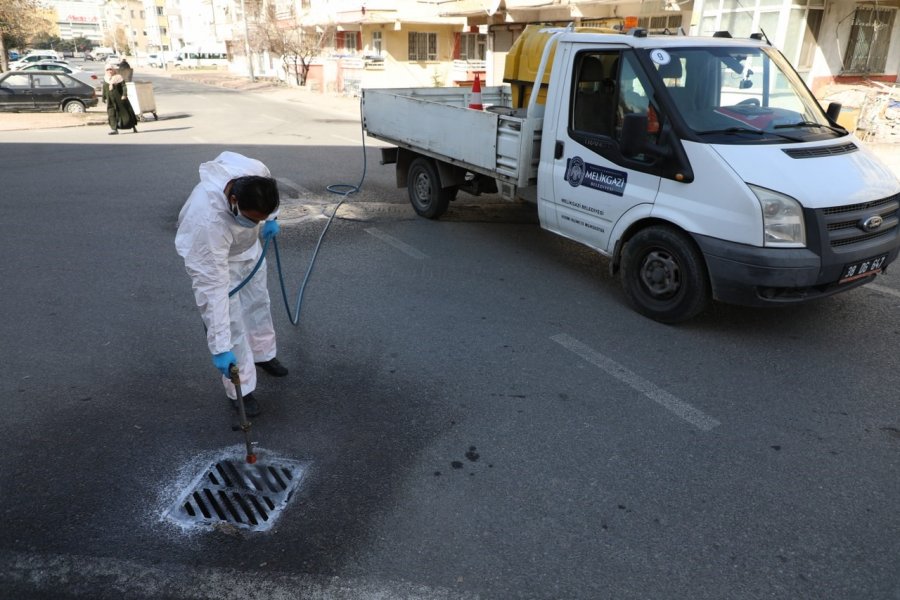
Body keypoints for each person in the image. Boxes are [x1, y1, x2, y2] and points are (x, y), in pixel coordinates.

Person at [175, 152, 288, 418]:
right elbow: (211, 293)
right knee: (232, 320)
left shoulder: (255, 172)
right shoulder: (205, 221)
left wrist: (271, 220)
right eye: (252, 219)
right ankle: (241, 387)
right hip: (216, 259)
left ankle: (263, 354)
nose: (254, 224)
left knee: (259, 302)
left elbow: (270, 196)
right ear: (233, 200)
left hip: (248, 251)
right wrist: (220, 348)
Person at [101, 65, 138, 135]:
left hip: (120, 99)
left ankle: (133, 126)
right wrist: (103, 97)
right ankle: (114, 129)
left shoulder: (118, 77)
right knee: (111, 114)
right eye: (107, 70)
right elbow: (104, 88)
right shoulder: (105, 79)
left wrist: (124, 94)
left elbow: (124, 86)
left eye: (110, 69)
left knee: (125, 113)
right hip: (110, 100)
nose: (109, 71)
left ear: (113, 70)